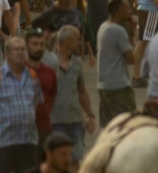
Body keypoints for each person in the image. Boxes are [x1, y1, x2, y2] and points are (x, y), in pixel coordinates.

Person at [49, 26, 96, 163]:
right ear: (68, 42)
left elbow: (82, 91)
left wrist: (90, 115)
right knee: (57, 162)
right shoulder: (49, 63)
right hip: (55, 122)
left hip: (76, 122)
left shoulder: (77, 64)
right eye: (77, 40)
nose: (80, 43)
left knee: (75, 160)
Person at [0, 37, 43, 173]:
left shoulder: (32, 76)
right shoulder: (0, 77)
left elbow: (36, 103)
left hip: (28, 141)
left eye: (23, 49)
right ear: (7, 53)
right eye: (16, 49)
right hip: (5, 142)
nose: (20, 53)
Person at [96, 0, 137, 126]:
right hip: (119, 88)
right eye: (127, 7)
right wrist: (132, 32)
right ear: (119, 9)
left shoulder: (103, 26)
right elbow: (131, 59)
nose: (130, 11)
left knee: (109, 129)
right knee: (127, 127)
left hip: (104, 86)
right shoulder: (118, 31)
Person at [24, 29, 57, 158]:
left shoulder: (50, 72)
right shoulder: (19, 71)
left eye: (42, 44)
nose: (39, 48)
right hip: (23, 131)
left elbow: (52, 97)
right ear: (27, 46)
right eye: (35, 44)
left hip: (44, 128)